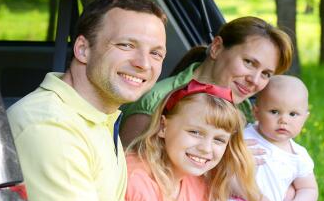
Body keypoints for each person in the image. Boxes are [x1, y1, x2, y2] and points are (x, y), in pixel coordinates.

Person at [7, 0, 167, 201]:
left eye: (155, 53)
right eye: (126, 45)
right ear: (82, 49)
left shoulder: (102, 117)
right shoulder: (50, 127)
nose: (143, 63)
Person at [120, 16, 294, 147]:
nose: (254, 81)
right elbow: (128, 179)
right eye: (249, 62)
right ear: (217, 48)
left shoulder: (245, 108)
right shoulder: (156, 101)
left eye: (266, 74)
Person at [125, 79, 260, 201]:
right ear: (163, 127)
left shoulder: (196, 185)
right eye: (195, 132)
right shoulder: (134, 179)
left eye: (219, 139)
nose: (206, 148)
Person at [245, 75, 318, 201]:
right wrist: (254, 197)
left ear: (305, 118)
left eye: (293, 114)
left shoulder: (298, 155)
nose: (283, 120)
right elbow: (228, 174)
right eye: (274, 111)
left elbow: (309, 189)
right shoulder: (244, 138)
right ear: (256, 112)